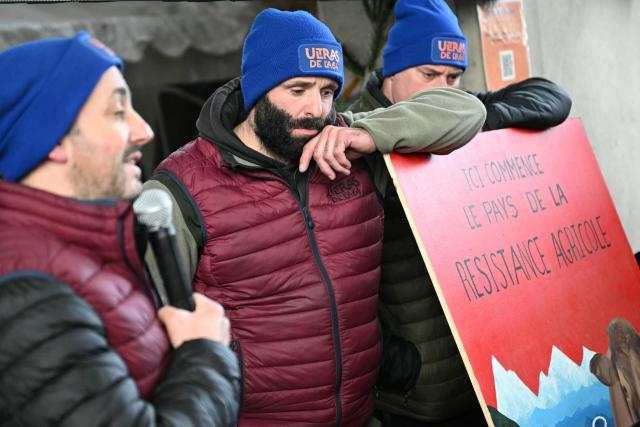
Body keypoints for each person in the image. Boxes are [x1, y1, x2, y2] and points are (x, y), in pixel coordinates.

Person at [143, 8, 486, 426]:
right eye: (298, 88)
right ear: (257, 91)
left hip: (360, 414)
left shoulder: (348, 149)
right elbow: (146, 337)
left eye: (327, 91)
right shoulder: (183, 188)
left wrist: (369, 134)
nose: (315, 109)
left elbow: (467, 113)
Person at [349, 1, 573, 425]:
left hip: (485, 376)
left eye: (453, 77)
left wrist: (466, 124)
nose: (443, 89)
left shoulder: (459, 111)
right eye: (428, 75)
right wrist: (394, 364)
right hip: (417, 393)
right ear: (391, 74)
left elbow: (552, 98)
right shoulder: (355, 136)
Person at [0, 32, 240, 426]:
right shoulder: (28, 295)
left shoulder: (81, 252)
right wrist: (205, 353)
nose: (144, 129)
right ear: (53, 139)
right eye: (117, 112)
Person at [591, 318, 640, 427]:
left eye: (625, 334)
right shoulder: (613, 359)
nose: (624, 338)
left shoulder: (636, 347)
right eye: (619, 336)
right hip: (634, 410)